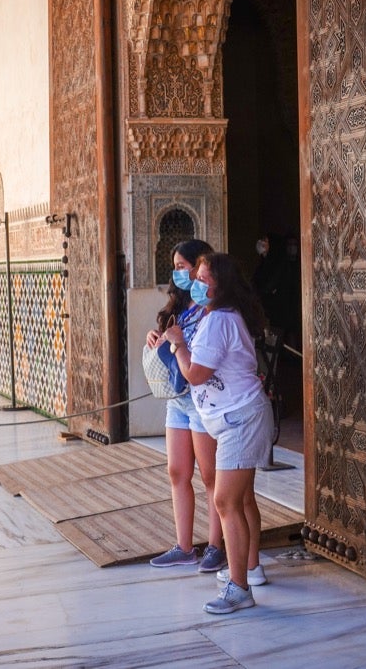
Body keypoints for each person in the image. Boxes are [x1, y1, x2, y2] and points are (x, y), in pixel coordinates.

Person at [164, 252, 273, 614]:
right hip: (239, 418)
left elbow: (195, 374)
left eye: (202, 276)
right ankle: (249, 569)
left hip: (241, 420)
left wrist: (178, 343)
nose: (195, 281)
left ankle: (239, 587)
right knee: (241, 501)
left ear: (219, 285)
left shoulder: (219, 321)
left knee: (226, 501)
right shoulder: (222, 316)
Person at [145, 240, 226, 574]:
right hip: (177, 401)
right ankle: (184, 546)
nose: (178, 273)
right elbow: (173, 343)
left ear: (200, 266)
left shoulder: (212, 307)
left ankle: (216, 546)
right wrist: (156, 337)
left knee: (210, 476)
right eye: (175, 267)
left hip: (201, 399)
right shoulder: (179, 305)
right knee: (177, 471)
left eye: (182, 266)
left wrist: (178, 343)